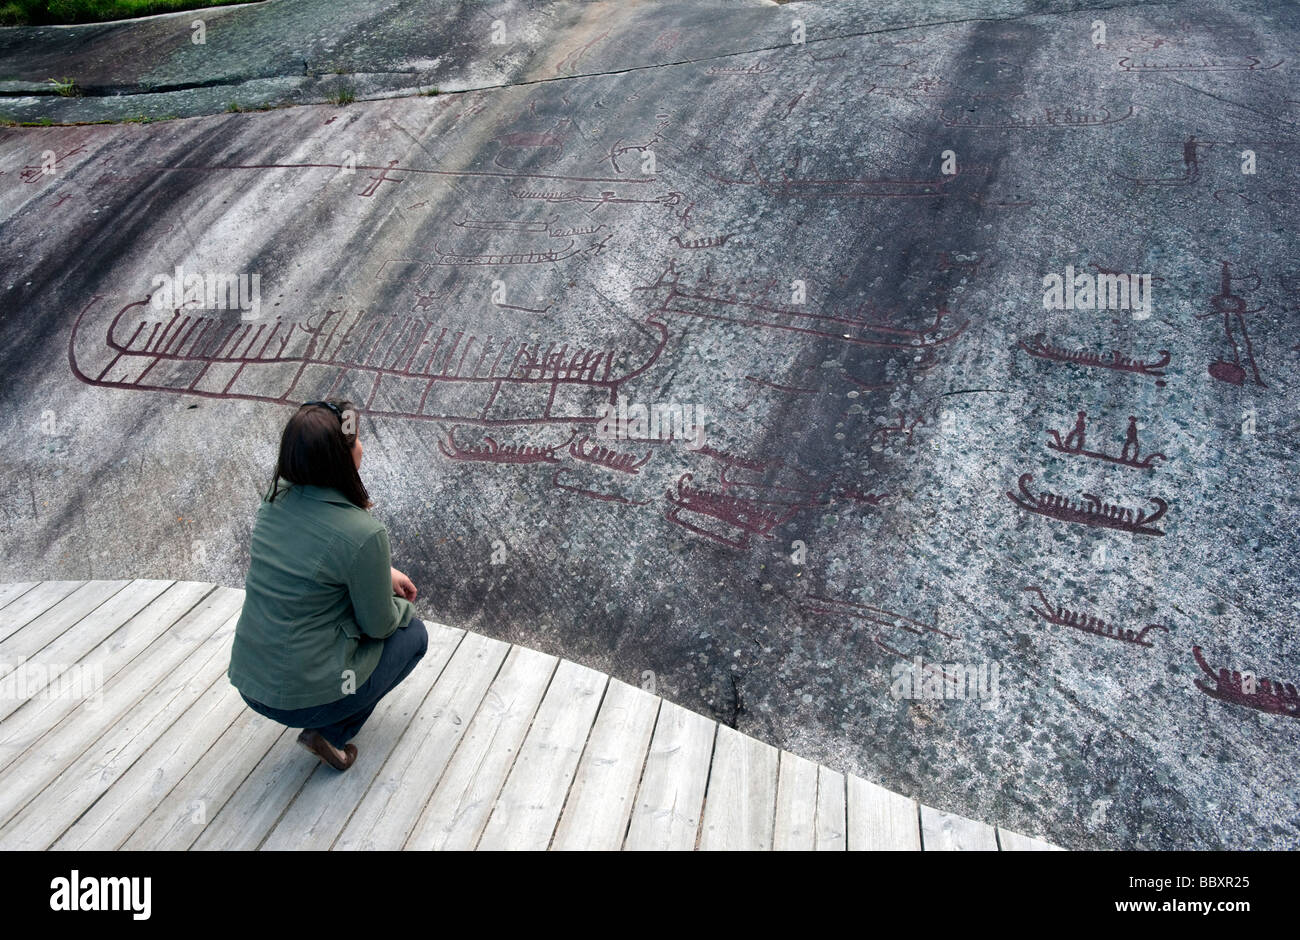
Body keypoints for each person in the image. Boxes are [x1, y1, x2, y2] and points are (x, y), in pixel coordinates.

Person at [227, 399, 427, 771]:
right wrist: (403, 607)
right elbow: (379, 625)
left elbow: (318, 556)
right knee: (413, 636)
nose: (362, 447)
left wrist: (382, 572)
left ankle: (327, 722)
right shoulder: (364, 533)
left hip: (251, 682)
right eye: (356, 441)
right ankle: (332, 732)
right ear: (342, 458)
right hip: (302, 699)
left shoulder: (273, 500)